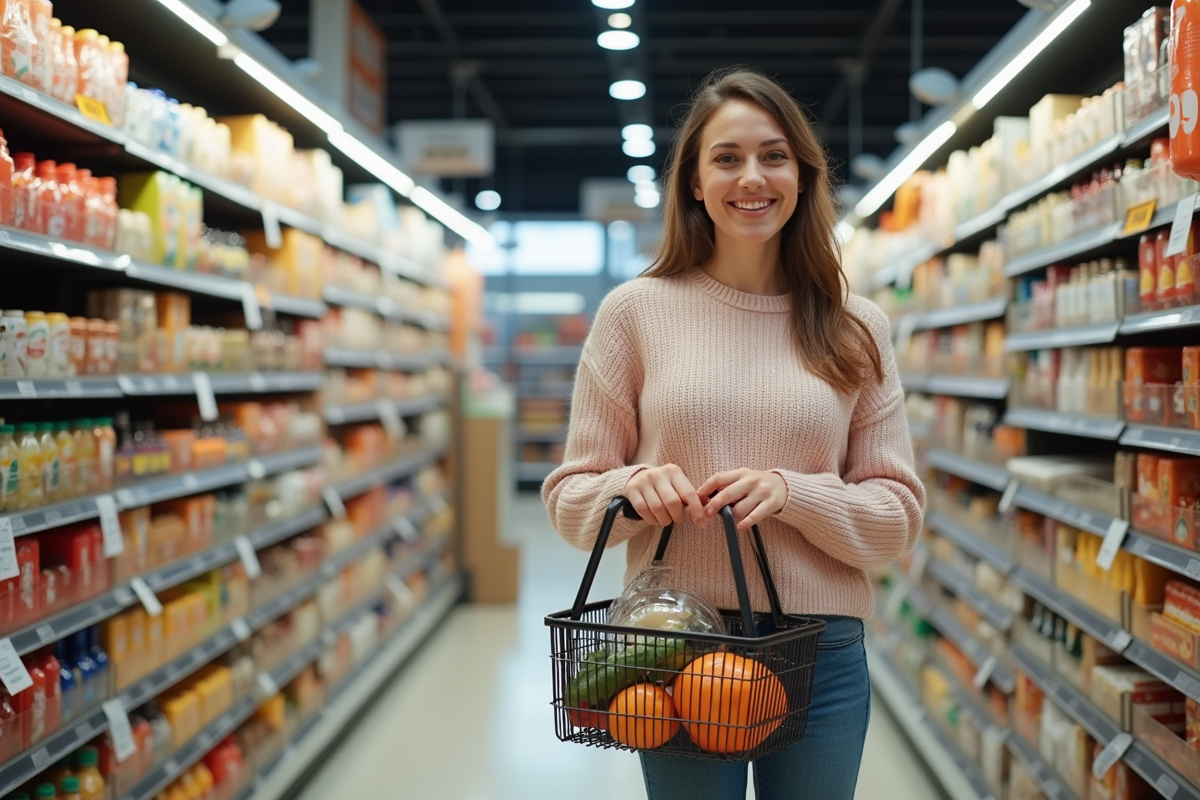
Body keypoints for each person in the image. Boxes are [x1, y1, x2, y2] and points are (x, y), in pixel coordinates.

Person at [541, 66, 924, 800]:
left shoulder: (856, 326)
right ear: (692, 182)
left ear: (804, 176)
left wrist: (792, 494)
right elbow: (568, 499)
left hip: (822, 650)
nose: (753, 177)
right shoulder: (636, 313)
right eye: (727, 158)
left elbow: (896, 520)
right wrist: (628, 486)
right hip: (675, 647)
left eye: (775, 155)